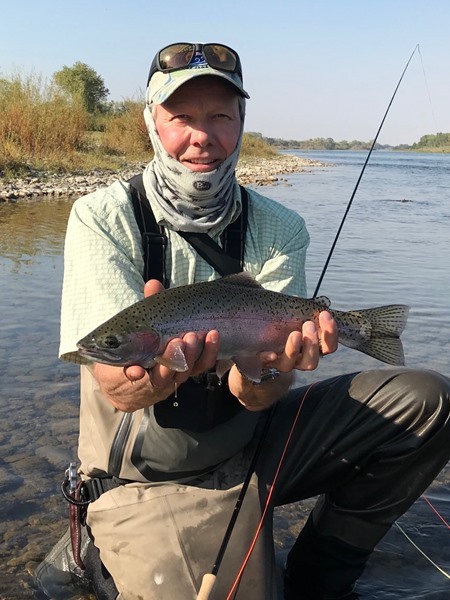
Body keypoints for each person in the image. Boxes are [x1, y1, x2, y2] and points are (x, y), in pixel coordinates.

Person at [56, 42, 450, 600]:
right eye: (181, 118)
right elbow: (117, 389)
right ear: (152, 123)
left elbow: (259, 393)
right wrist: (151, 375)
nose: (202, 135)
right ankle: (101, 543)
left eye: (220, 116)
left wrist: (268, 372)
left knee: (427, 401)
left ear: (242, 123)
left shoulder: (279, 226)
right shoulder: (103, 217)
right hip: (152, 474)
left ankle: (322, 578)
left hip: (257, 439)